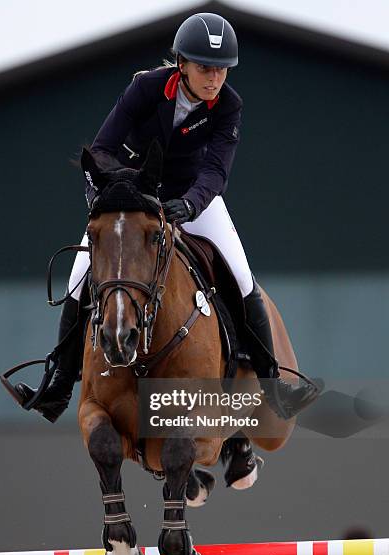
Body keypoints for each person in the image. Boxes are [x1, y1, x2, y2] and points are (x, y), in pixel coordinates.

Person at [16, 12, 318, 423]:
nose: (214, 78)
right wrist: (106, 193)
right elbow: (104, 147)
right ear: (182, 64)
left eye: (221, 70)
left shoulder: (229, 106)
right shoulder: (146, 87)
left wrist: (192, 204)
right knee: (78, 277)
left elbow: (216, 171)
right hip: (135, 197)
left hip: (196, 199)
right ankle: (60, 384)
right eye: (205, 67)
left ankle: (272, 383)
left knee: (243, 277)